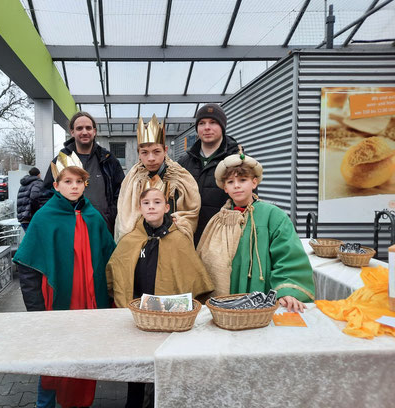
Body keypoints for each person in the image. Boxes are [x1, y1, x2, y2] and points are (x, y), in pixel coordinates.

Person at [13, 157, 116, 408]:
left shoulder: (93, 216)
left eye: (79, 181)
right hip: (57, 304)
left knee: (84, 357)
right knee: (53, 359)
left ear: (85, 184)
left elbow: (111, 259)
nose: (74, 186)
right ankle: (44, 404)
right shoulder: (44, 217)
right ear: (56, 186)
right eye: (67, 181)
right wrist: (36, 311)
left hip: (90, 302)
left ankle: (80, 404)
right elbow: (27, 267)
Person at [107, 187, 213, 408]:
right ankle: (134, 403)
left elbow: (193, 274)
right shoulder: (131, 238)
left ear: (166, 208)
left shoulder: (179, 239)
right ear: (140, 208)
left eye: (157, 202)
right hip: (138, 313)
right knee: (136, 364)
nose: (151, 207)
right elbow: (116, 268)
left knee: (166, 363)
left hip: (169, 314)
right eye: (146, 203)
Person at [197, 148, 315, 312]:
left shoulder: (273, 215)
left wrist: (287, 290)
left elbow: (288, 256)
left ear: (254, 182)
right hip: (226, 299)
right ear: (225, 188)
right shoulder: (219, 220)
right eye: (230, 182)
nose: (236, 186)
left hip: (262, 297)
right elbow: (207, 260)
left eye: (243, 180)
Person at [114, 114, 201, 243]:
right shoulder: (132, 179)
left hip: (172, 240)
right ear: (139, 153)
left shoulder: (180, 176)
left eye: (156, 151)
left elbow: (190, 211)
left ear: (165, 150)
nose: (151, 158)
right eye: (144, 152)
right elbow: (125, 214)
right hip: (140, 241)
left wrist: (178, 225)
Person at [43, 111, 125, 233]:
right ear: (72, 132)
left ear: (94, 131)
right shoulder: (60, 160)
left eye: (88, 128)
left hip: (103, 228)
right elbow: (46, 194)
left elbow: (121, 192)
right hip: (70, 230)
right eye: (79, 128)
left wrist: (110, 216)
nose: (84, 132)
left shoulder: (108, 159)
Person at [178, 103, 240, 246]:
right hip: (189, 239)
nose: (207, 127)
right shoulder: (183, 163)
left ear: (222, 127)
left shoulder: (237, 161)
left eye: (213, 122)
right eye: (202, 123)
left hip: (223, 240)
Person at [16, 167, 45, 231]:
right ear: (39, 174)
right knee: (36, 239)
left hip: (23, 218)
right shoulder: (37, 183)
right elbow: (34, 198)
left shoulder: (23, 184)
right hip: (30, 218)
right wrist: (37, 213)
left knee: (30, 239)